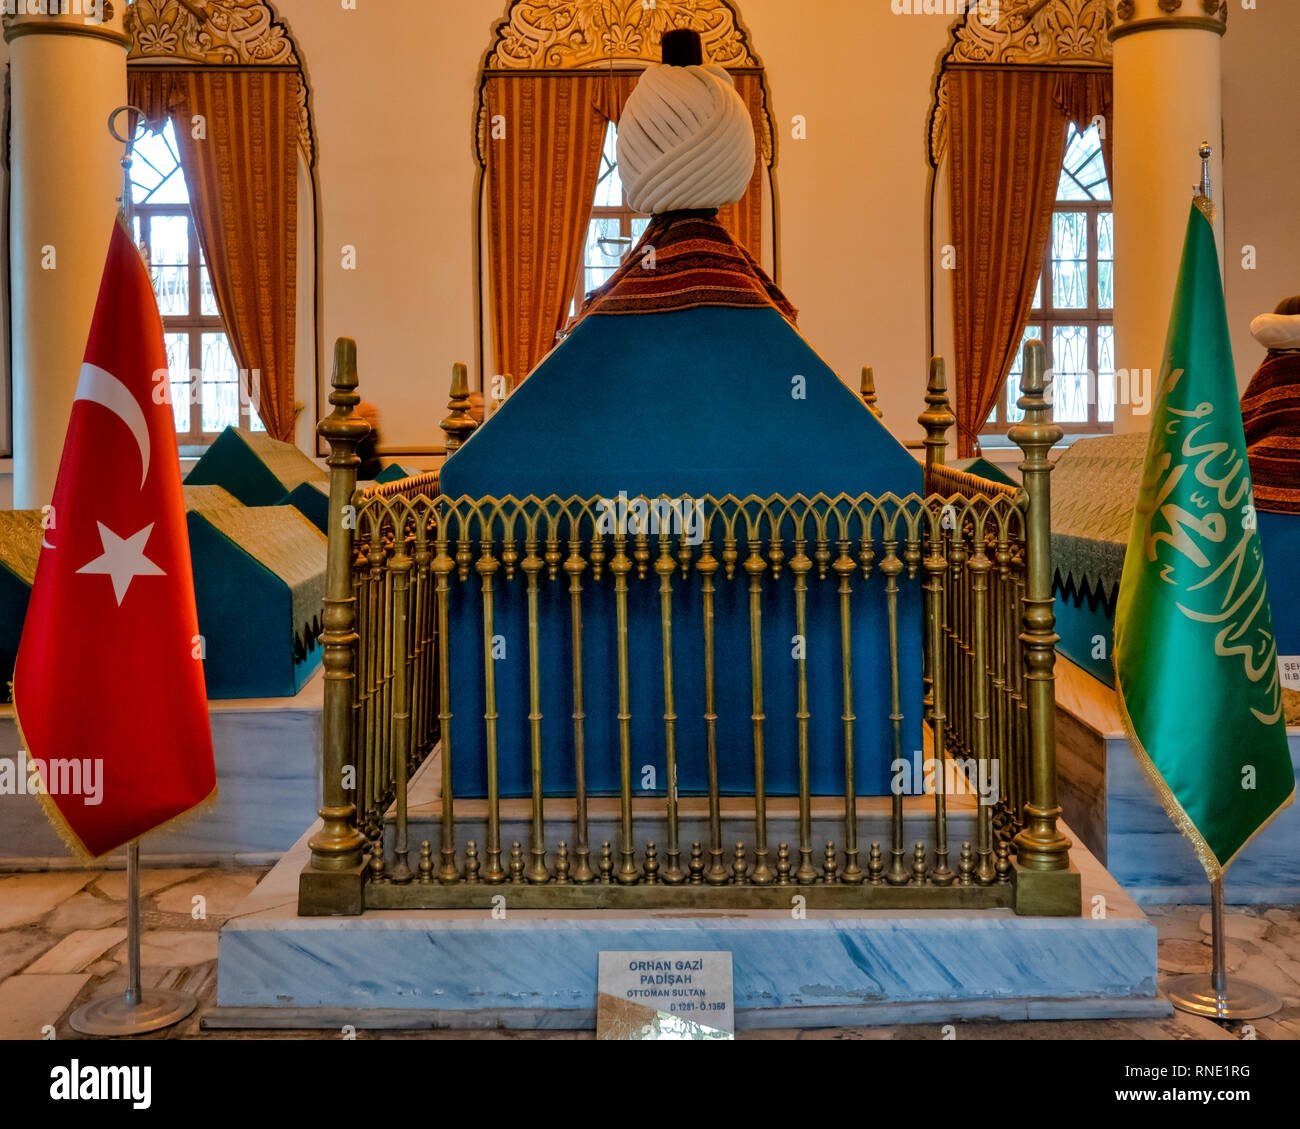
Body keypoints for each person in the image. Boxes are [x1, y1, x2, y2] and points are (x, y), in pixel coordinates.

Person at [354, 400, 383, 480]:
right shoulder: (357, 440)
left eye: (374, 416)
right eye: (368, 416)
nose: (374, 420)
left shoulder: (372, 434)